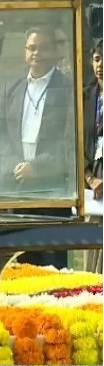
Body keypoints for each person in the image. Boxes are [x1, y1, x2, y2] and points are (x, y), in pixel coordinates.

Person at [0, 26, 74, 268]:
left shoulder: (68, 88)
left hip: (51, 191)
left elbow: (70, 139)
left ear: (55, 52)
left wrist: (37, 168)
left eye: (43, 48)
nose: (36, 53)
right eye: (31, 48)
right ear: (24, 52)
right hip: (13, 188)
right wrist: (14, 164)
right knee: (14, 263)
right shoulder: (11, 88)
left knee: (50, 264)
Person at [83, 39, 103, 273]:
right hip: (94, 179)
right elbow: (74, 143)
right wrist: (89, 177)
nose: (101, 65)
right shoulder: (85, 97)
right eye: (97, 58)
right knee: (92, 256)